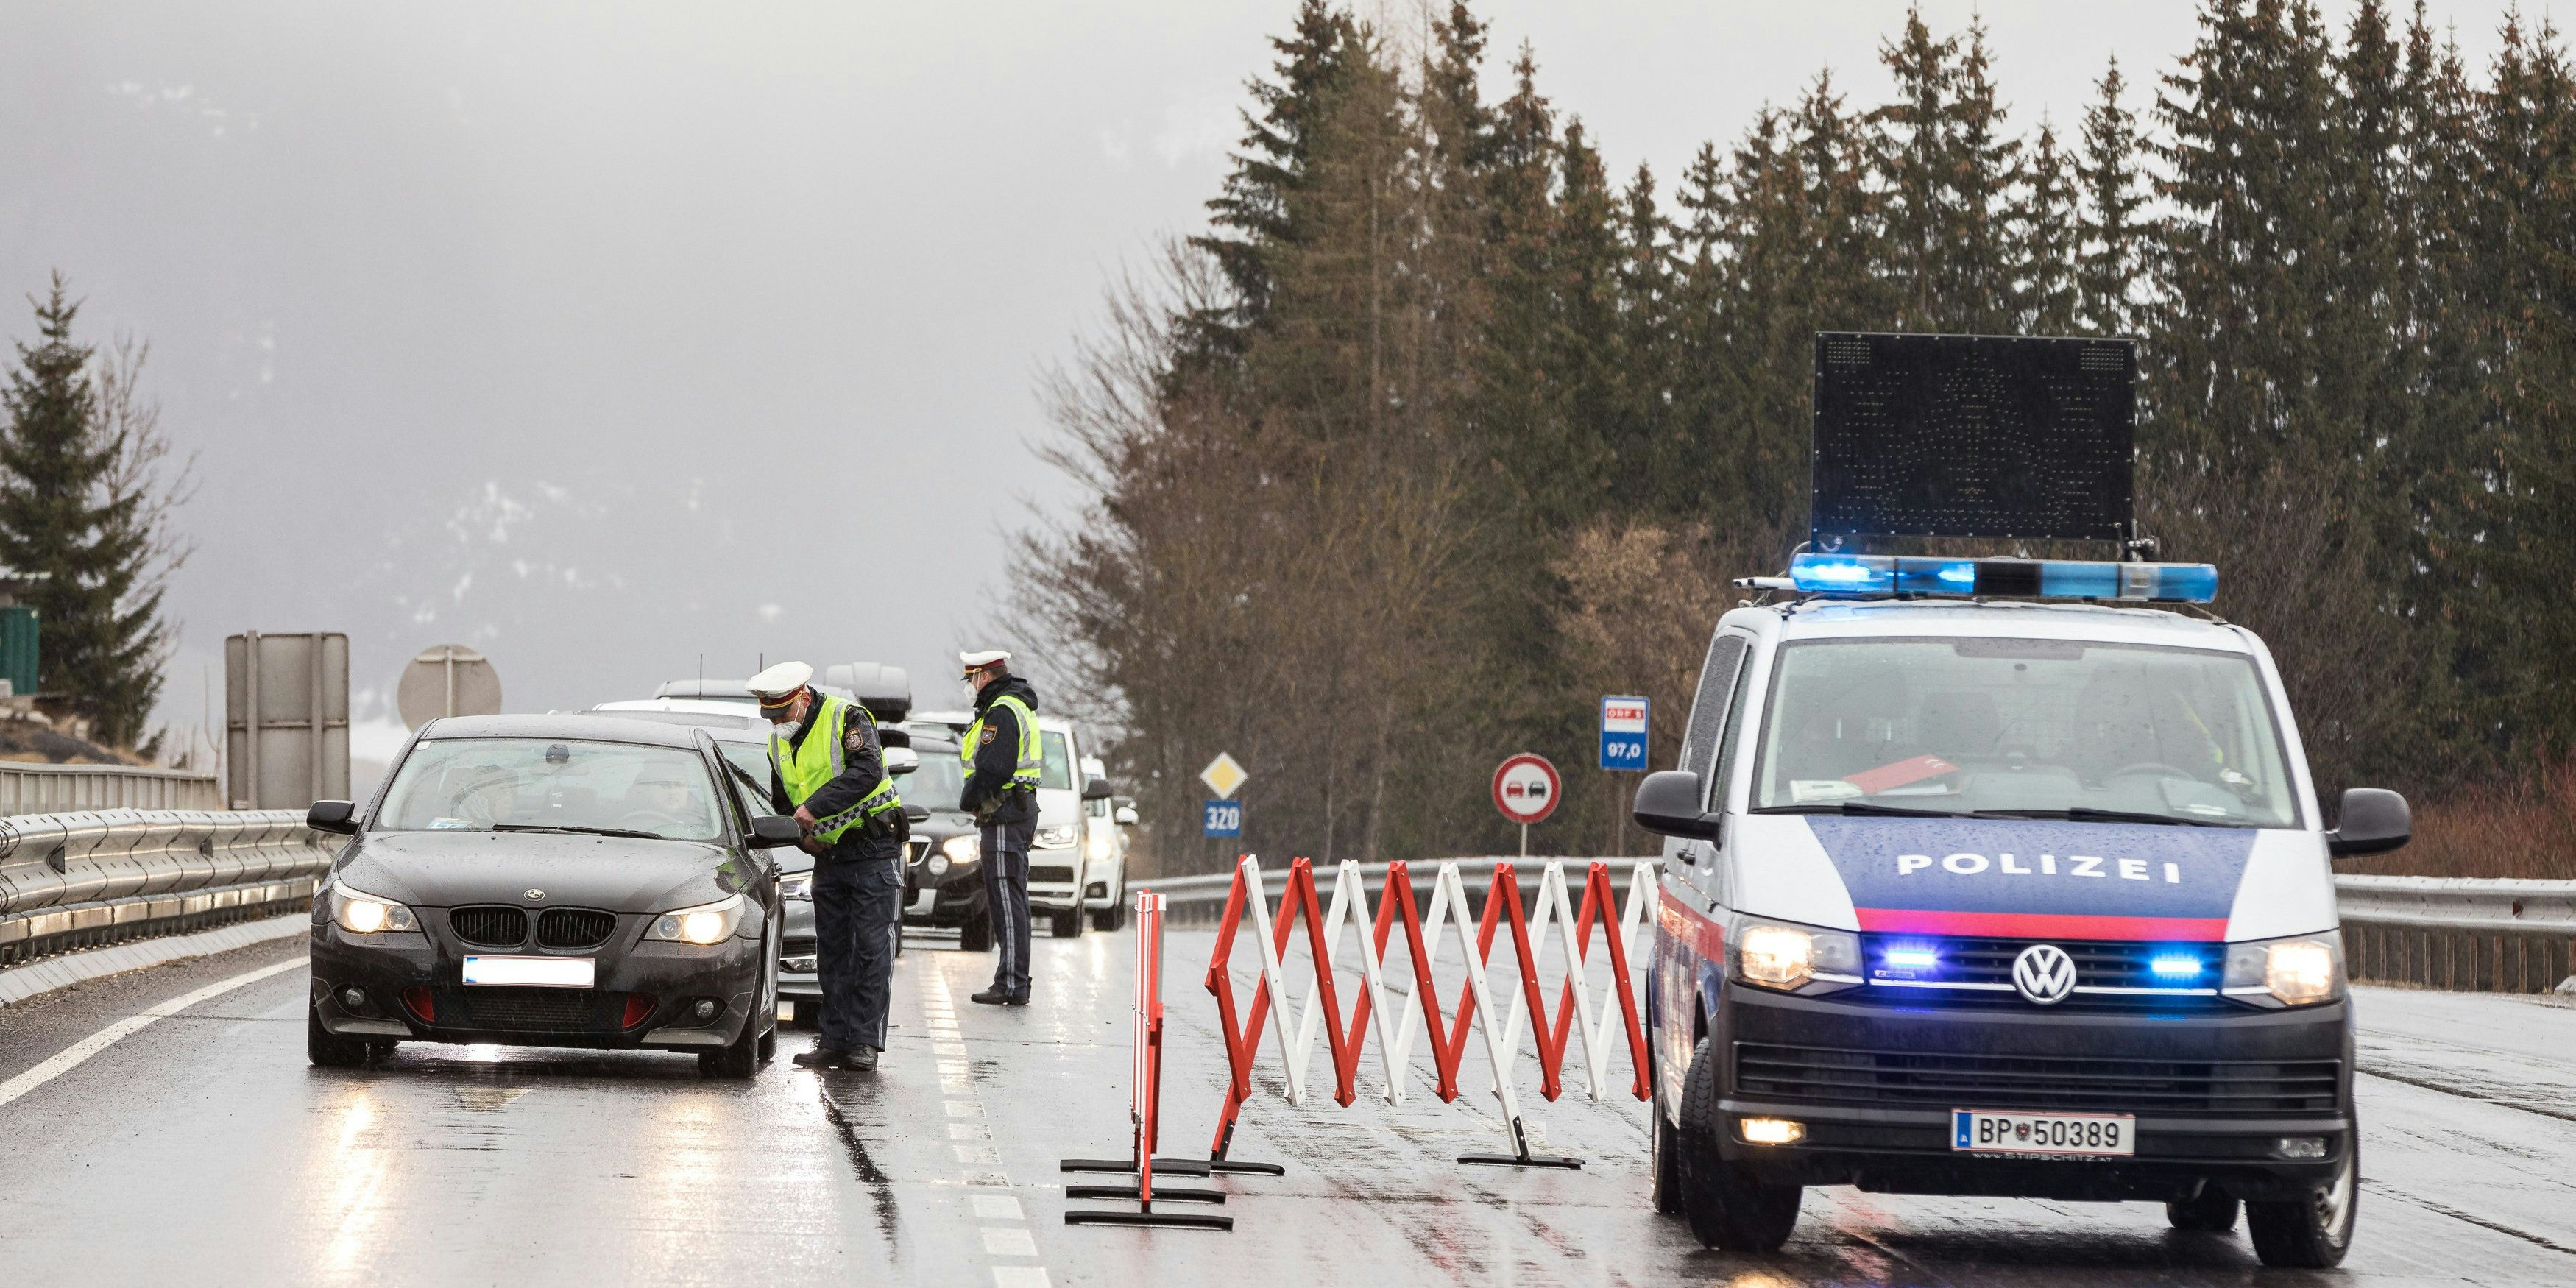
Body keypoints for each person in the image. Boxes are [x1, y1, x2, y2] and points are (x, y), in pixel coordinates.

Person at [748, 659, 907, 1071]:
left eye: (782, 713)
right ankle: (834, 1040)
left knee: (872, 951)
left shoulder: (846, 718)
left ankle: (865, 1043)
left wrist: (814, 810)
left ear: (802, 698)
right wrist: (803, 839)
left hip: (874, 849)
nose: (777, 722)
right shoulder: (777, 743)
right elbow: (784, 801)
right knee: (833, 953)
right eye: (770, 716)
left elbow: (868, 772)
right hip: (829, 857)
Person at [958, 650, 1041, 1006]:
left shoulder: (1002, 711)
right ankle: (1012, 979)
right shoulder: (1011, 705)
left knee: (1006, 901)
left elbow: (993, 769)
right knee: (1012, 899)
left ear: (984, 676)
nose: (970, 687)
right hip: (1011, 811)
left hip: (1005, 812)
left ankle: (1011, 982)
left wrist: (969, 797)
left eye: (971, 679)